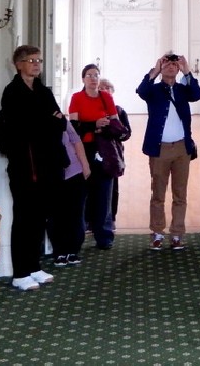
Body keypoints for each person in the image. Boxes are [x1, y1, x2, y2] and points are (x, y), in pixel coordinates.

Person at [0, 45, 66, 290]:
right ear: (19, 64)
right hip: (24, 166)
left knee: (39, 217)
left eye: (39, 60)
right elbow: (23, 128)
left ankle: (34, 266)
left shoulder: (44, 91)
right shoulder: (12, 92)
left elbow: (61, 123)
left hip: (47, 164)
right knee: (24, 218)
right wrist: (47, 121)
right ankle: (20, 272)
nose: (36, 64)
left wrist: (45, 122)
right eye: (31, 60)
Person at [137, 52, 200, 251]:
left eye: (174, 64)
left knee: (180, 193)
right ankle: (157, 233)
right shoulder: (153, 90)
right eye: (166, 63)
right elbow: (141, 91)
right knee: (158, 193)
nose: (170, 66)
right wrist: (155, 70)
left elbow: (197, 94)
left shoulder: (183, 89)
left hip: (182, 148)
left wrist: (187, 70)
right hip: (159, 148)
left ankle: (177, 234)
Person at [68, 63, 127, 251]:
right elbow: (74, 127)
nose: (93, 78)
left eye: (96, 75)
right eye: (89, 75)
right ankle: (79, 234)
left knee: (104, 193)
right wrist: (94, 125)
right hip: (83, 149)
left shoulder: (106, 97)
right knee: (82, 193)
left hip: (104, 149)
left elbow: (115, 124)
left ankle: (104, 236)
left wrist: (102, 126)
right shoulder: (77, 98)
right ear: (83, 79)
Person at [51, 99, 90, 267]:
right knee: (57, 215)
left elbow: (76, 141)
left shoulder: (63, 120)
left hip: (75, 171)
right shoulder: (40, 123)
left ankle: (73, 250)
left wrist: (85, 166)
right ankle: (60, 251)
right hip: (53, 175)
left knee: (76, 213)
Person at [97, 77, 132, 222]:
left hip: (113, 155)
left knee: (112, 188)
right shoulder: (91, 109)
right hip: (94, 153)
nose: (104, 90)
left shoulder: (119, 111)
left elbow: (126, 134)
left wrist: (110, 128)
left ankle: (110, 218)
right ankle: (90, 221)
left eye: (107, 88)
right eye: (101, 88)